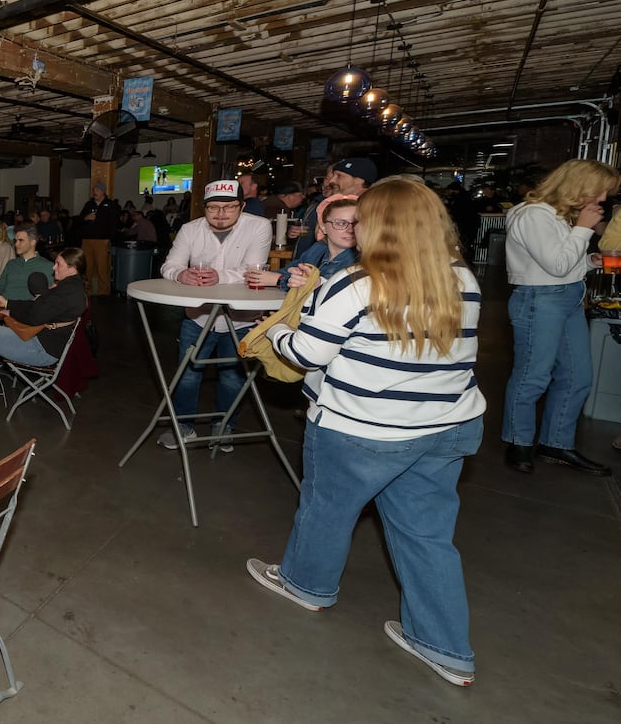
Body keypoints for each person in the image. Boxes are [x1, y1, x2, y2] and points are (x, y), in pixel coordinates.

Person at [248, 179, 486, 687]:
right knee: (427, 536)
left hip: (363, 430)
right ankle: (446, 648)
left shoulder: (359, 282)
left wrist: (274, 329)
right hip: (447, 427)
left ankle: (305, 586)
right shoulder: (463, 278)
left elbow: (307, 354)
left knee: (328, 511)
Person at [501, 158, 620, 476]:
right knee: (533, 376)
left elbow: (565, 264)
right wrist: (583, 228)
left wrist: (592, 260)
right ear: (579, 185)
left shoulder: (558, 217)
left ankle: (556, 443)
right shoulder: (532, 215)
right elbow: (556, 265)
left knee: (578, 376)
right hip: (539, 300)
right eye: (600, 192)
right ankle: (519, 441)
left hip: (567, 297)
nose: (603, 201)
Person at [156, 179, 271, 449]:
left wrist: (217, 276)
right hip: (198, 315)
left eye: (229, 207)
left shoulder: (259, 226)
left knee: (233, 375)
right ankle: (185, 427)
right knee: (187, 374)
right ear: (204, 207)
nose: (221, 214)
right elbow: (169, 265)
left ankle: (224, 426)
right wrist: (180, 273)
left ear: (242, 206)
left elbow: (254, 270)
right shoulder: (189, 229)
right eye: (213, 208)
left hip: (243, 318)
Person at [0, 247, 87, 391]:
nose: (54, 268)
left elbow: (34, 317)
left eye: (58, 264)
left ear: (72, 268)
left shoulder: (67, 293)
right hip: (39, 340)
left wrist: (11, 311)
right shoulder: (69, 287)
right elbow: (36, 306)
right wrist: (7, 304)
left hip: (41, 350)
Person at [247, 195, 359, 291]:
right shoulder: (318, 249)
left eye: (356, 223)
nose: (350, 230)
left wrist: (281, 280)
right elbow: (287, 271)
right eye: (340, 223)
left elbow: (331, 292)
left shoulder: (361, 259)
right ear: (323, 227)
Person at [77, 183, 121, 295]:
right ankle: (87, 293)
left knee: (102, 269)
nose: (94, 192)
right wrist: (86, 217)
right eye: (93, 190)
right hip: (87, 241)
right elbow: (79, 220)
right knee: (87, 268)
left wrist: (109, 239)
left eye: (97, 190)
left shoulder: (110, 204)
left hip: (102, 241)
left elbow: (114, 224)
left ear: (103, 191)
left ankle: (103, 294)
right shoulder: (89, 204)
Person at [0, 222, 54, 302]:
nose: (16, 244)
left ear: (33, 242)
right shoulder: (11, 264)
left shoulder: (47, 266)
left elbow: (46, 298)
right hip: (2, 308)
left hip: (25, 311)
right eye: (16, 240)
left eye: (21, 240)